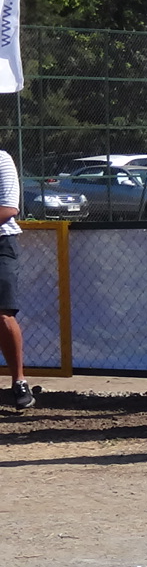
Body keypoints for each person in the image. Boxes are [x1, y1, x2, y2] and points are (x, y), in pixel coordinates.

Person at [0, 148, 29, 409]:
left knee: (3, 314)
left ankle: (19, 381)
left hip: (2, 244)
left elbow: (9, 208)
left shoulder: (2, 159)